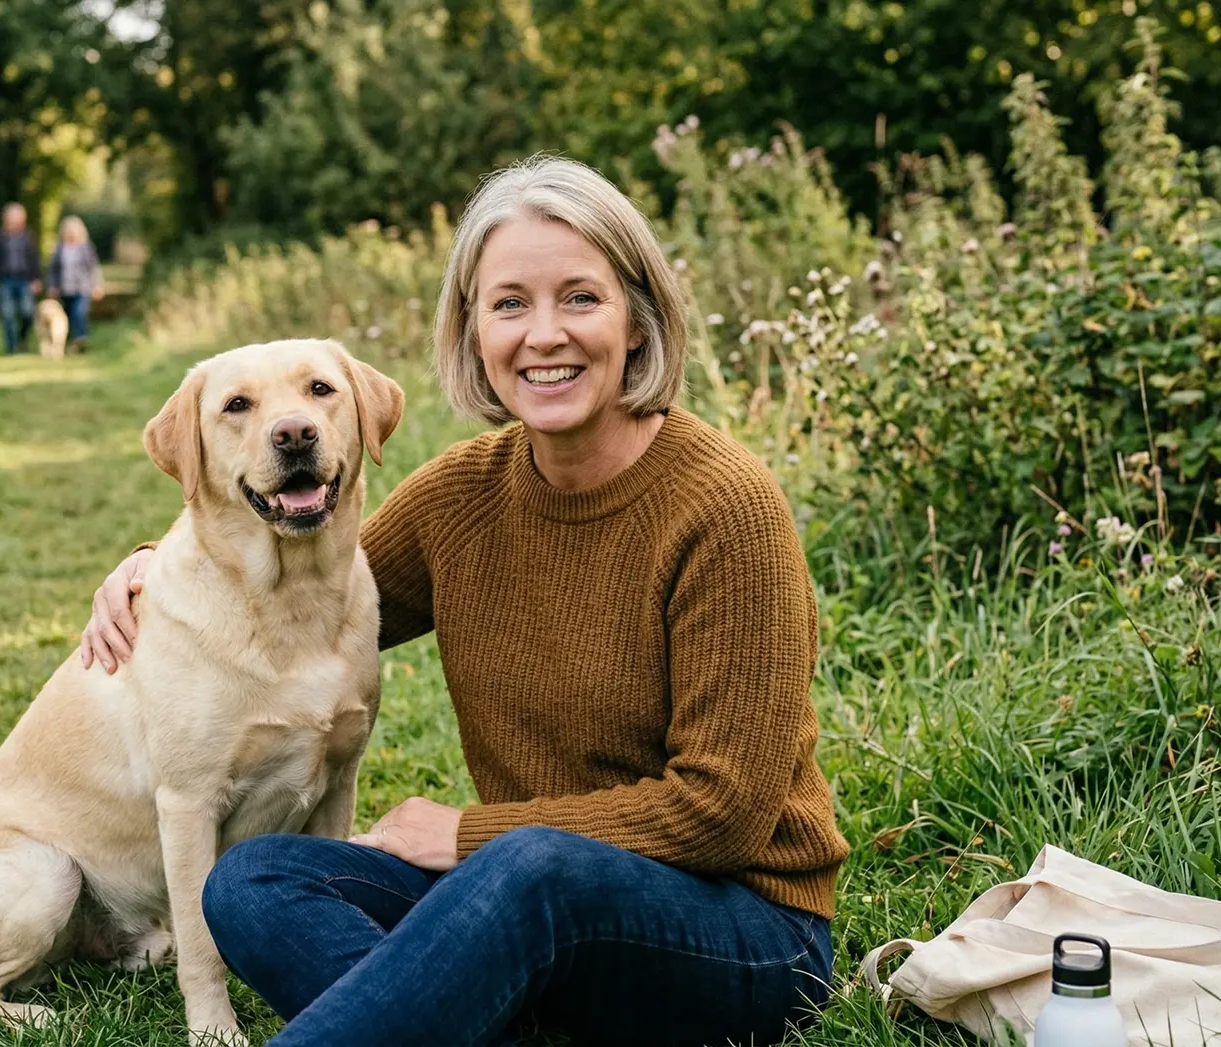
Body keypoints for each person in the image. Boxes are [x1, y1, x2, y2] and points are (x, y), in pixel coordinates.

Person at [77, 156, 848, 1047]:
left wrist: (471, 834)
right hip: (529, 896)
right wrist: (149, 567)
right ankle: (477, 1018)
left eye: (581, 299)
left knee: (533, 867)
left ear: (638, 321)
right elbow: (310, 576)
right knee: (252, 879)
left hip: (743, 933)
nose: (544, 333)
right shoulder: (465, 498)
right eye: (510, 303)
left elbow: (720, 813)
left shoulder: (725, 509)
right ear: (473, 328)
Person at [0, 202, 44, 355]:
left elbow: (34, 259)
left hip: (25, 281)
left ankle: (22, 340)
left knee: (27, 313)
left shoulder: (28, 237)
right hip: (5, 280)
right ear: (5, 219)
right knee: (7, 315)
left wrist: (36, 279)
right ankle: (12, 348)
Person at [48, 215, 105, 353]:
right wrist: (52, 286)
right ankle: (70, 343)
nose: (71, 233)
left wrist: (97, 285)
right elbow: (53, 269)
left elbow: (93, 268)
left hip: (82, 287)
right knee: (66, 316)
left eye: (73, 230)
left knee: (79, 313)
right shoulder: (59, 248)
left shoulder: (86, 247)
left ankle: (81, 339)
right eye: (68, 230)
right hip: (64, 288)